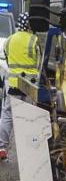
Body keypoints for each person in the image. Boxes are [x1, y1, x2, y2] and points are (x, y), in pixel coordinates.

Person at [0, 13, 38, 161]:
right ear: (29, 25)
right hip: (30, 83)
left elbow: (8, 59)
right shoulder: (34, 40)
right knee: (30, 115)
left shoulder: (10, 40)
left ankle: (1, 148)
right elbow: (40, 62)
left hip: (13, 82)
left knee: (7, 114)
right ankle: (29, 149)